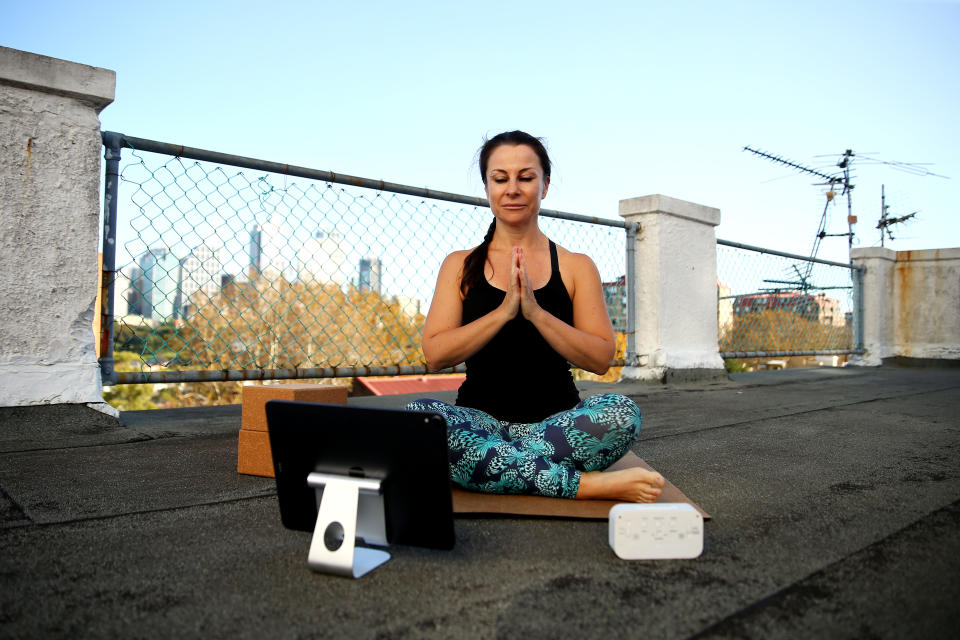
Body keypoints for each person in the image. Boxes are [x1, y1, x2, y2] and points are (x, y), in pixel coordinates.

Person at [406, 130, 664, 503]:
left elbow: (600, 358)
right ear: (487, 187)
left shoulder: (576, 266)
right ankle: (582, 484)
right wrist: (503, 313)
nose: (512, 189)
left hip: (558, 426)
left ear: (544, 186)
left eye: (525, 177)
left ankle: (493, 469)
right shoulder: (459, 265)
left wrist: (535, 313)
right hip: (482, 425)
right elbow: (435, 354)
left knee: (623, 413)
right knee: (419, 416)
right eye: (500, 179)